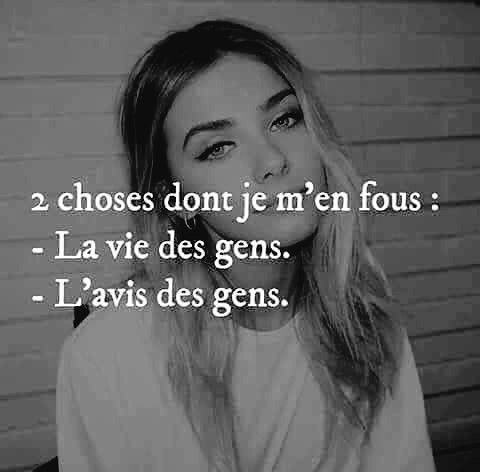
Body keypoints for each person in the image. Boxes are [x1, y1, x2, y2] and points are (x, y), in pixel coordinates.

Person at [56, 20, 436, 472]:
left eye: (284, 119)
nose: (273, 160)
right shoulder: (106, 353)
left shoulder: (361, 300)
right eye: (218, 147)